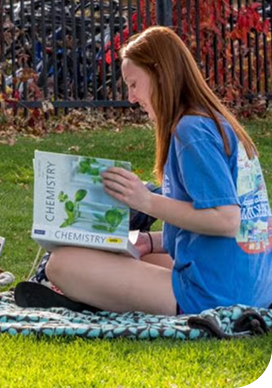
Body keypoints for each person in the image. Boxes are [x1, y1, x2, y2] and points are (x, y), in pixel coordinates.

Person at [44, 26, 272, 315]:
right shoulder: (214, 121)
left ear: (160, 76)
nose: (131, 97)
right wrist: (149, 241)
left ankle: (90, 299)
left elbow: (226, 220)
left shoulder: (191, 131)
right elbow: (216, 222)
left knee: (62, 263)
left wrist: (145, 201)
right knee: (129, 258)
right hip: (252, 286)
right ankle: (97, 293)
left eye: (133, 84)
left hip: (218, 296)